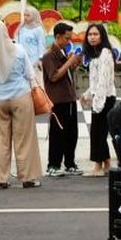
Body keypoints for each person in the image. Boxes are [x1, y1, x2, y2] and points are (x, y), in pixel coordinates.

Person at [0, 21, 42, 189]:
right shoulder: (19, 50)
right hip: (21, 96)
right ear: (6, 32)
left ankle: (0, 179)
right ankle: (28, 178)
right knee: (25, 139)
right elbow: (29, 74)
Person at [42, 22, 83, 177]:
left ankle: (70, 163)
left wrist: (74, 64)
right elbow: (54, 76)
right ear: (58, 37)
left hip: (69, 99)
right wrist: (69, 63)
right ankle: (53, 165)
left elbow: (66, 74)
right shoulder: (49, 55)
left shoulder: (64, 53)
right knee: (57, 134)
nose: (69, 41)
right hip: (58, 101)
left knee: (72, 133)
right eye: (67, 38)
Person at [82, 23, 116, 178]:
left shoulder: (105, 53)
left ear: (102, 36)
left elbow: (104, 80)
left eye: (95, 34)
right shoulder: (95, 54)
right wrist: (88, 94)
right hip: (99, 96)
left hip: (105, 97)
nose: (92, 37)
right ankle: (106, 162)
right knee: (99, 132)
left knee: (98, 132)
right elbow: (94, 82)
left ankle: (98, 166)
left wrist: (98, 102)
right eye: (90, 35)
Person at [16, 7, 47, 86]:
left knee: (35, 83)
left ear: (34, 16)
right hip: (22, 60)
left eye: (28, 15)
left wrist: (40, 59)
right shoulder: (22, 28)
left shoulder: (38, 29)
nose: (25, 17)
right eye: (24, 15)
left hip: (34, 61)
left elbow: (41, 45)